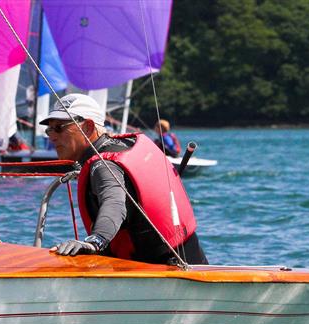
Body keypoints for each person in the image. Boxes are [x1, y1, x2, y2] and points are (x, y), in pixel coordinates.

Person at [41, 94, 207, 265]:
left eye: (59, 127)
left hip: (166, 272)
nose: (52, 136)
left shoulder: (104, 165)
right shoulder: (124, 146)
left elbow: (114, 203)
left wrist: (95, 242)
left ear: (89, 127)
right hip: (189, 261)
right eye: (49, 129)